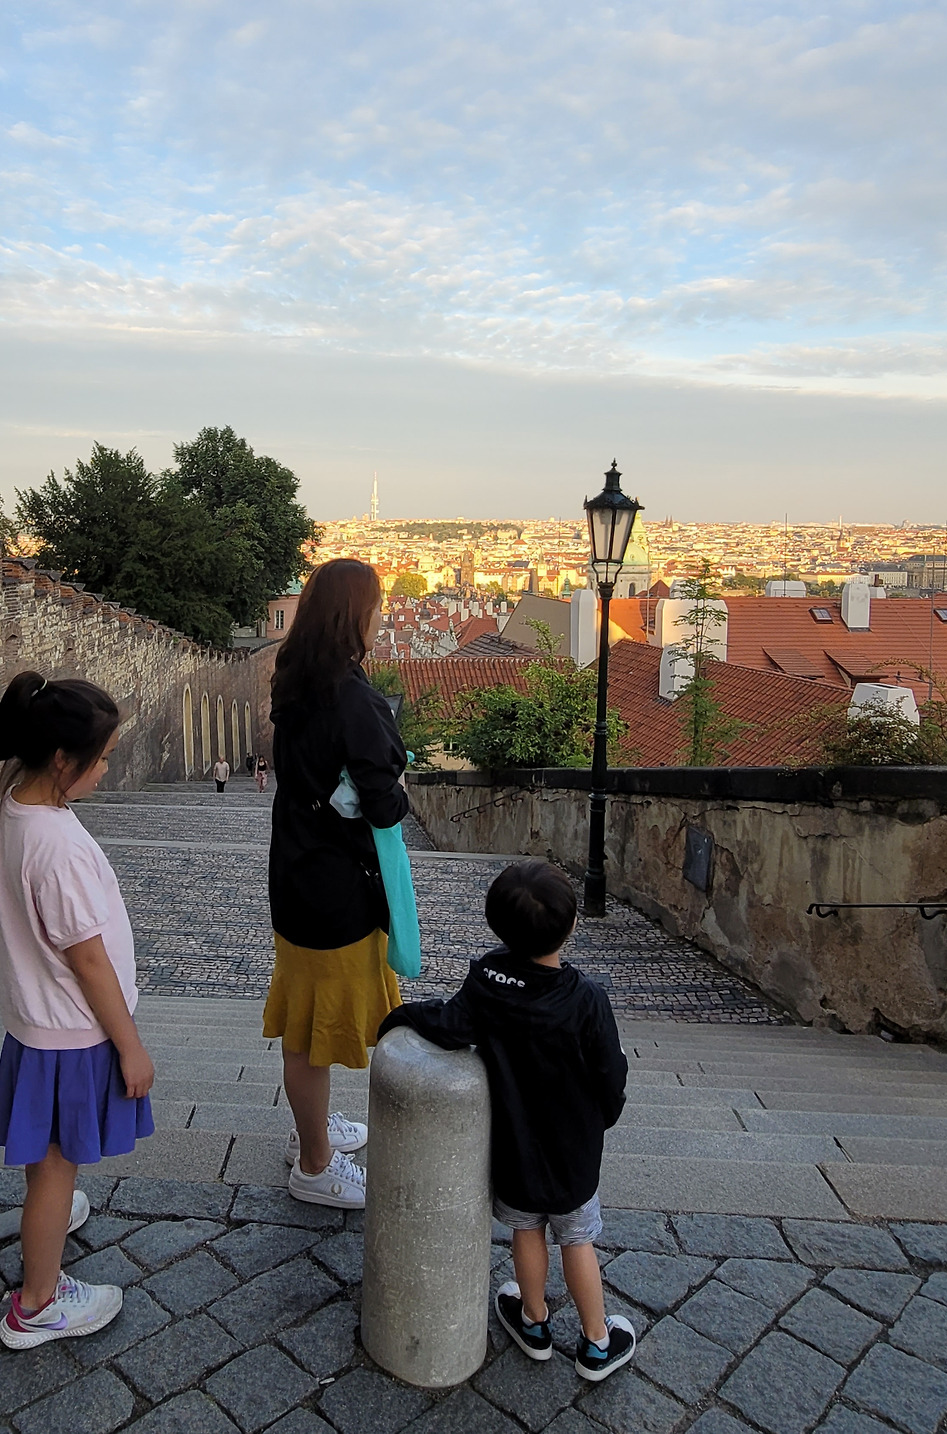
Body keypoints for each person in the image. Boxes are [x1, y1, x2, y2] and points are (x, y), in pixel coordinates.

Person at [379, 859, 635, 1382]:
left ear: (497, 925)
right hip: (572, 1152)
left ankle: (534, 1321)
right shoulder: (587, 1001)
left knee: (526, 1229)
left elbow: (449, 1024)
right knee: (577, 1238)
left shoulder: (489, 982)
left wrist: (399, 1016)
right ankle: (596, 1342)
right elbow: (611, 1074)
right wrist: (603, 1117)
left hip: (515, 1146)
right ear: (571, 925)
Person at [0, 671, 155, 1350]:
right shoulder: (55, 846)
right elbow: (88, 960)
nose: (106, 769)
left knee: (46, 1162)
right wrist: (130, 1045)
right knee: (57, 1166)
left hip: (35, 1022)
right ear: (61, 760)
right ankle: (38, 1304)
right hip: (72, 1032)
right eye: (102, 757)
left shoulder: (12, 808)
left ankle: (47, 1220)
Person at [265, 558, 408, 1208]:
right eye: (376, 605)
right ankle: (315, 1164)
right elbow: (383, 804)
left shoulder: (295, 679)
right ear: (355, 615)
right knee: (309, 1033)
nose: (381, 616)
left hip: (296, 870)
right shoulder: (353, 698)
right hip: (336, 889)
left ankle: (312, 1129)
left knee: (307, 1021)